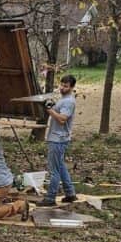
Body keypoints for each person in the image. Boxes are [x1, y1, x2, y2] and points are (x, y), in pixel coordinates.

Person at [39, 74, 77, 207]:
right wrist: (52, 105)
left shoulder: (68, 102)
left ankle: (50, 198)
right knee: (60, 166)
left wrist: (49, 110)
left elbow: (62, 119)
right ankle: (70, 193)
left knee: (54, 170)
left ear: (72, 87)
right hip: (58, 138)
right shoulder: (63, 99)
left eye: (66, 86)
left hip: (58, 139)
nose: (62, 88)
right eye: (61, 85)